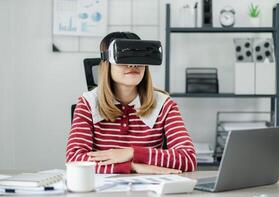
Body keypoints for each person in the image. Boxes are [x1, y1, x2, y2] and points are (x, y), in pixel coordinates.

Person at [66, 32, 196, 174]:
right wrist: (132, 167)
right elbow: (74, 160)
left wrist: (132, 153)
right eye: (124, 56)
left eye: (138, 56)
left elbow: (188, 159)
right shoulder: (88, 104)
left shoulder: (164, 104)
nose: (133, 64)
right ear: (106, 62)